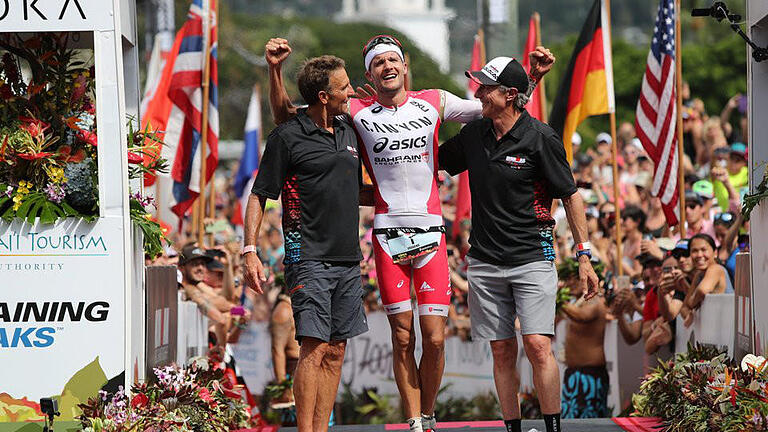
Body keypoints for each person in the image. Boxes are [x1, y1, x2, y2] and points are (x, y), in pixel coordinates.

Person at [266, 34, 556, 432]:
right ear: (369, 72)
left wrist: (532, 80)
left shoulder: (435, 100)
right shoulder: (354, 108)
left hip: (431, 234)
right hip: (387, 236)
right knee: (402, 338)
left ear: (405, 67)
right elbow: (288, 117)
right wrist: (275, 70)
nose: (387, 67)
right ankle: (415, 421)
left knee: (434, 338)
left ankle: (430, 411)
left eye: (393, 60)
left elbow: (497, 105)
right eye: (378, 62)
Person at [439, 56, 599, 432]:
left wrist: (584, 255)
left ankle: (552, 428)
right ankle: (512, 428)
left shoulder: (541, 137)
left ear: (510, 95)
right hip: (484, 262)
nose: (477, 93)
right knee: (501, 349)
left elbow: (571, 195)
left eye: (485, 87)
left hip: (532, 257)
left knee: (538, 346)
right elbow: (429, 160)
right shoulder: (474, 134)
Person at [242, 55, 369, 432]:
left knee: (336, 349)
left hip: (348, 257)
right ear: (323, 96)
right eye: (344, 86)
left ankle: (322, 428)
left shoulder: (350, 128)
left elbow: (360, 190)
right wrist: (250, 251)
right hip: (307, 256)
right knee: (312, 349)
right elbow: (259, 195)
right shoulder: (287, 135)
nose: (351, 90)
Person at [559, 270, 609, 419]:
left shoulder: (595, 302)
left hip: (590, 375)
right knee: (569, 424)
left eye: (575, 278)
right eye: (568, 279)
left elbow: (581, 316)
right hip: (573, 374)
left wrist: (558, 299)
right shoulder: (576, 303)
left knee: (589, 425)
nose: (570, 283)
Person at [683, 233, 733, 326]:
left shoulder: (716, 269)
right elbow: (684, 308)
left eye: (703, 250)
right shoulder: (699, 274)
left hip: (726, 329)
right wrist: (690, 315)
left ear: (715, 253)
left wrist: (692, 306)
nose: (699, 255)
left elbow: (702, 291)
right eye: (694, 251)